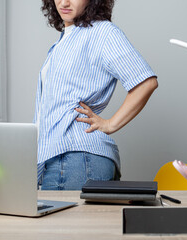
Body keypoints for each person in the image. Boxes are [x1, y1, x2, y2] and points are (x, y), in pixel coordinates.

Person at [35, 0, 158, 190]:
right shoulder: (62, 41)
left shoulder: (103, 33)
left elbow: (146, 82)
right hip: (58, 158)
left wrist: (110, 124)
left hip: (77, 158)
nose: (64, 2)